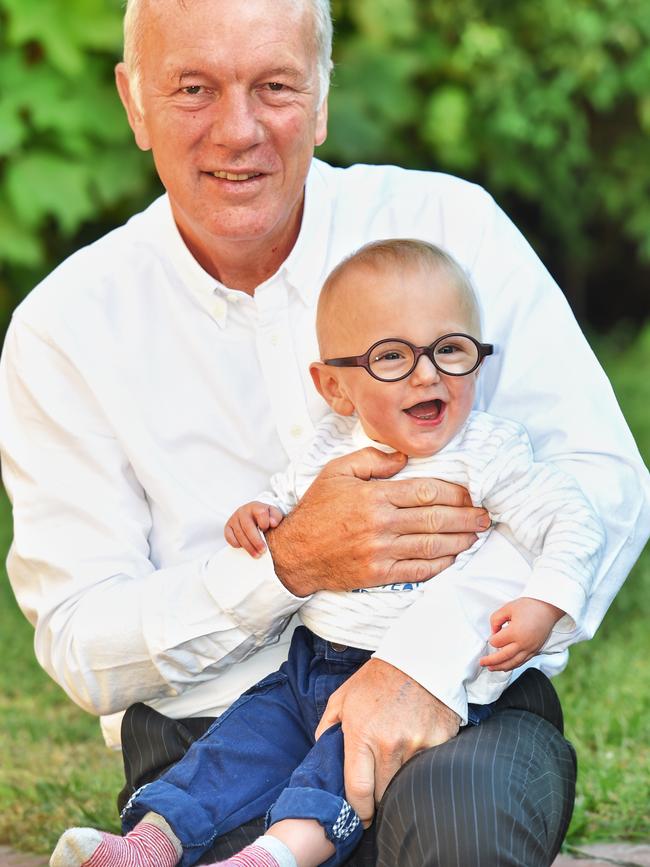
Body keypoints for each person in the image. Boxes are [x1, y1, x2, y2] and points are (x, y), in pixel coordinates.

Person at [0, 0, 648, 864]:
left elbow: (601, 479)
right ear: (134, 102)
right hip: (217, 730)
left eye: (275, 85)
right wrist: (285, 564)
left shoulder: (451, 229)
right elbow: (83, 639)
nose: (239, 131)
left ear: (325, 96)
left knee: (466, 833)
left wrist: (424, 659)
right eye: (194, 87)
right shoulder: (65, 328)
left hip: (463, 709)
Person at [50, 239, 606, 867]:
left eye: (450, 350)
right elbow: (287, 504)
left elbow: (574, 521)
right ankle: (149, 843)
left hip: (412, 683)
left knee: (336, 772)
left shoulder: (490, 454)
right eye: (391, 357)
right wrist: (258, 516)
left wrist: (546, 599)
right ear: (336, 389)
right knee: (237, 747)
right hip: (309, 662)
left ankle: (273, 858)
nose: (428, 374)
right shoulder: (328, 449)